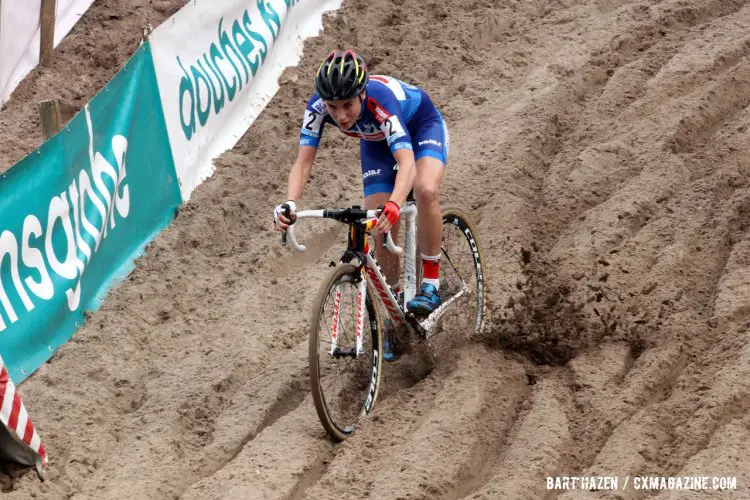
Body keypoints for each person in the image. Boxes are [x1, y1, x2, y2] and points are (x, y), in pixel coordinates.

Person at [272, 49, 448, 357]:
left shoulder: (380, 101)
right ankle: (398, 315)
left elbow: (407, 163)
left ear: (362, 93)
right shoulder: (316, 107)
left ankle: (431, 280)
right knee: (378, 227)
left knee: (425, 191)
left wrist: (395, 204)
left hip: (421, 128)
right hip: (376, 146)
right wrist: (289, 202)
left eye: (348, 105)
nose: (340, 115)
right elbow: (303, 162)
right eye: (333, 107)